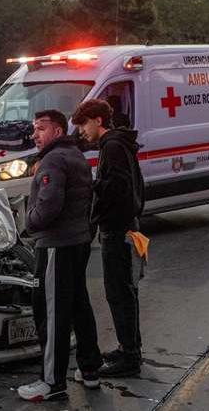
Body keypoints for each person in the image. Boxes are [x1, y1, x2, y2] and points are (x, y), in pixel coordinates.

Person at [17, 110, 103, 402]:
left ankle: (52, 382)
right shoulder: (75, 154)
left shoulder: (54, 160)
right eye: (33, 129)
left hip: (56, 245)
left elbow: (49, 206)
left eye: (40, 129)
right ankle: (90, 370)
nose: (34, 134)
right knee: (79, 305)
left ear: (56, 131)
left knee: (52, 313)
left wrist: (28, 223)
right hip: (77, 241)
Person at [72, 98, 145, 378]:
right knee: (125, 291)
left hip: (117, 229)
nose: (81, 131)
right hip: (125, 227)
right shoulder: (118, 144)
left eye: (84, 124)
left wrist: (92, 186)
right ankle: (129, 347)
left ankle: (129, 356)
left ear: (98, 121)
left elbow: (118, 188)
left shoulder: (112, 146)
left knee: (118, 293)